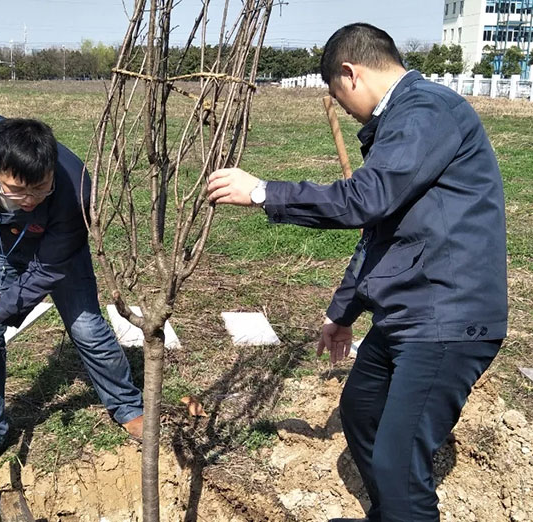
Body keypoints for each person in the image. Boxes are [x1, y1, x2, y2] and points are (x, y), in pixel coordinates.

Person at [207, 23, 507, 522]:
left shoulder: (425, 112)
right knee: (362, 411)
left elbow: (364, 200)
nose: (343, 111)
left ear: (350, 73)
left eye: (337, 96)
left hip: (448, 317)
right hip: (411, 308)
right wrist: (342, 313)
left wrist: (263, 191)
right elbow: (381, 232)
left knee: (397, 462)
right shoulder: (404, 122)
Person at [0, 87, 144, 480]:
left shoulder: (75, 188)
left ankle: (129, 408)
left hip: (54, 251)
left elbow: (46, 271)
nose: (29, 199)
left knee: (87, 327)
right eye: (17, 190)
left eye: (40, 189)